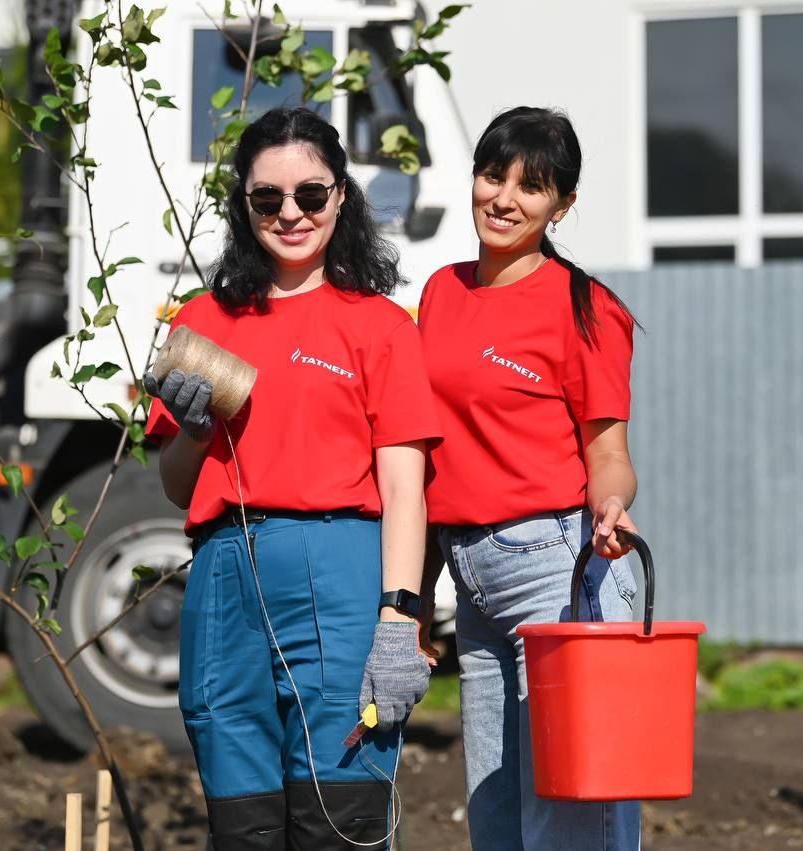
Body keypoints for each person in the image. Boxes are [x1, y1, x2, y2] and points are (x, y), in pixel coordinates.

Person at [144, 107, 439, 851]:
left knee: (336, 824)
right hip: (224, 577)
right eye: (267, 198)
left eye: (311, 194)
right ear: (243, 206)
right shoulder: (203, 320)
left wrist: (400, 619)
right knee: (242, 829)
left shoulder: (379, 326)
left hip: (338, 575)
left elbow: (405, 487)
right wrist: (197, 430)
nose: (291, 213)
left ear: (341, 196)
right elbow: (179, 485)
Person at [416, 106, 643, 851]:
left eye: (533, 186)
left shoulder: (588, 308)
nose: (505, 198)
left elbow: (607, 451)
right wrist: (415, 592)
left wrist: (612, 504)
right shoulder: (441, 292)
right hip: (470, 580)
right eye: (493, 174)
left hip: (559, 566)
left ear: (563, 205)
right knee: (499, 824)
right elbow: (422, 454)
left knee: (571, 816)